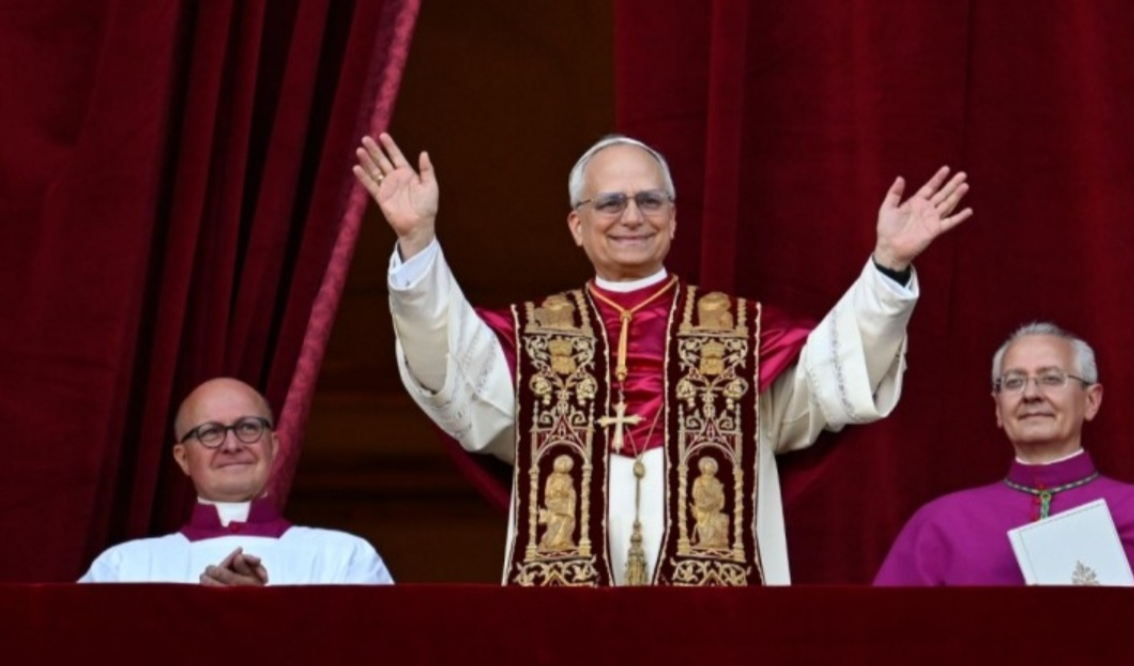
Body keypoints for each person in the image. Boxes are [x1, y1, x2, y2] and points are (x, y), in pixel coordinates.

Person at [354, 132, 972, 586]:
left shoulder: (740, 334)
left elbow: (833, 378)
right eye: (611, 202)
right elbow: (453, 377)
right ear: (575, 224)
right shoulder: (533, 336)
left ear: (674, 221)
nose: (632, 216)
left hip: (717, 615)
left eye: (650, 202)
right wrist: (417, 241)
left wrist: (888, 265)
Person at [873, 322, 1134, 586]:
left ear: (1091, 400)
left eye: (1051, 378)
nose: (1031, 394)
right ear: (997, 408)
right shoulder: (938, 525)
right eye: (1013, 382)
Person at [80, 378, 393, 585]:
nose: (231, 445)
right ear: (182, 458)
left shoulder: (345, 559)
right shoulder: (123, 569)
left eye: (247, 428)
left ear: (273, 446)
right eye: (211, 432)